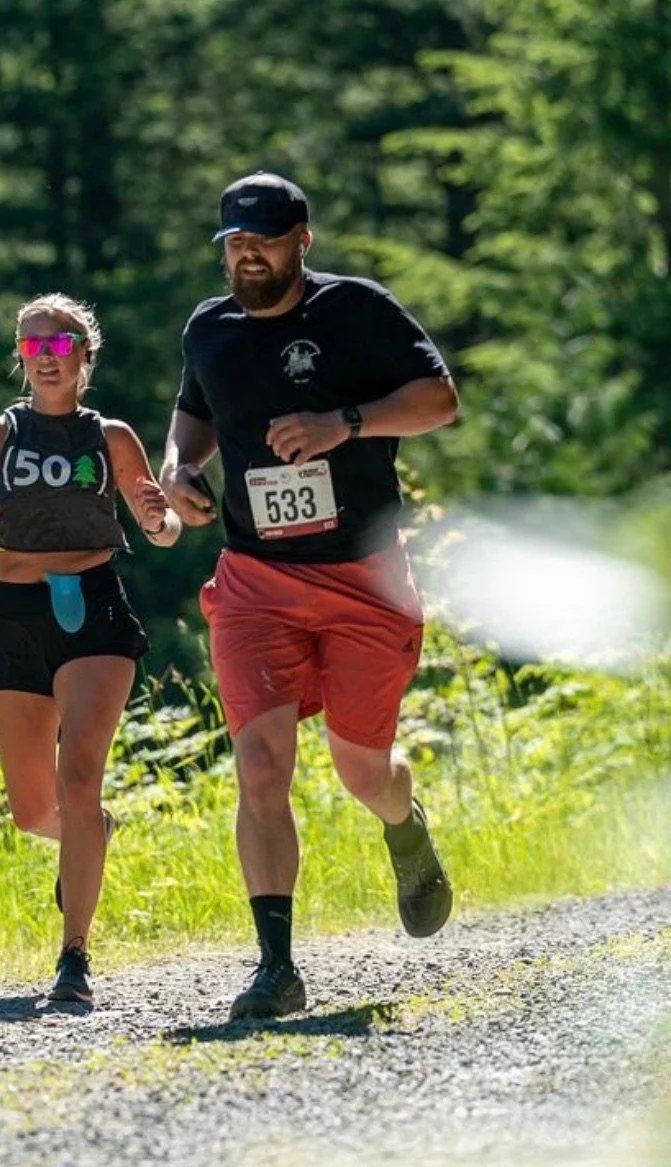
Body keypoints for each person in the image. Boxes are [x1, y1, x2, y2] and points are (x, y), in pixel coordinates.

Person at [158, 172, 460, 1021]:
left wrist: (345, 424)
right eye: (234, 242)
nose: (247, 253)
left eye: (264, 238)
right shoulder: (208, 328)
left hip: (365, 576)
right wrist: (181, 468)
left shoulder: (356, 311)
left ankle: (405, 828)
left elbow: (440, 401)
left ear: (302, 240)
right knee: (260, 766)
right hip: (257, 578)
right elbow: (194, 414)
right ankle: (276, 969)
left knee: (362, 770)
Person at [0, 293, 180, 1007]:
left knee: (79, 780)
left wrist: (162, 523)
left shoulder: (112, 437)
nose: (45, 357)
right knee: (35, 811)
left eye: (60, 345)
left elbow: (158, 527)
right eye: (31, 345)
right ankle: (90, 837)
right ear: (18, 356)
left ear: (84, 358)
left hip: (93, 612)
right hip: (11, 616)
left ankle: (74, 958)